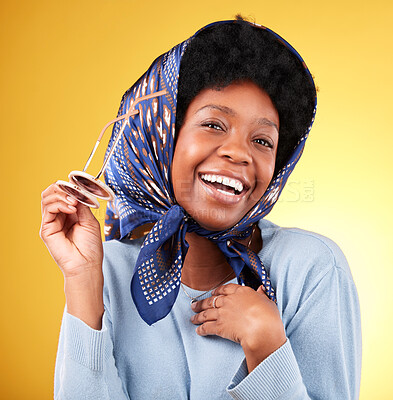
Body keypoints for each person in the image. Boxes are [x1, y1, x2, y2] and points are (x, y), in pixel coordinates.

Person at [40, 17, 362, 399]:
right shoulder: (105, 271)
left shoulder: (312, 269)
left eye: (262, 140)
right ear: (163, 134)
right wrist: (81, 283)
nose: (239, 153)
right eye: (213, 124)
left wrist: (266, 345)